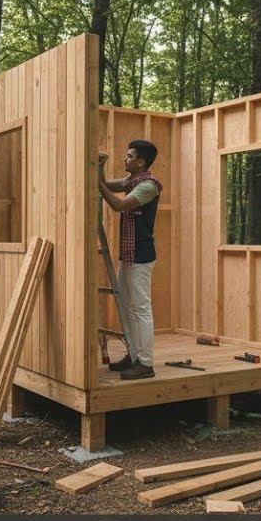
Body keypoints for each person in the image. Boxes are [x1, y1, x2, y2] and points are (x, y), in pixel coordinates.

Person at [98, 140, 163, 380]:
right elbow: (105, 184)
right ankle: (134, 355)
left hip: (141, 256)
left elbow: (118, 204)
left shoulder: (148, 186)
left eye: (129, 156)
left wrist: (96, 181)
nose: (125, 159)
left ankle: (145, 364)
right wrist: (98, 170)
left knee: (141, 309)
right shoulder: (132, 181)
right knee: (127, 308)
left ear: (141, 161)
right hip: (128, 255)